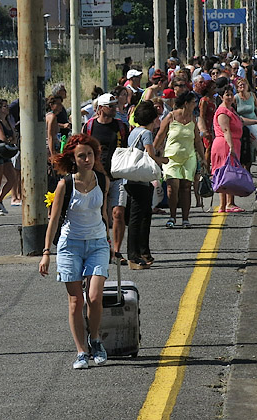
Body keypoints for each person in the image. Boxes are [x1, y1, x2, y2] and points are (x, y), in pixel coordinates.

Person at [39, 134, 111, 369]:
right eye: (82, 156)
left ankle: (96, 339)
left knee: (94, 297)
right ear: (73, 159)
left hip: (98, 243)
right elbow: (55, 219)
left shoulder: (102, 180)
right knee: (75, 301)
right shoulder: (65, 184)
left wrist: (111, 241)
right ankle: (81, 352)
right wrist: (46, 252)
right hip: (70, 246)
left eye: (90, 154)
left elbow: (105, 212)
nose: (87, 159)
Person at [83, 93, 130, 265]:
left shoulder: (121, 126)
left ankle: (117, 251)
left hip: (117, 175)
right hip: (97, 177)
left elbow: (126, 148)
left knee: (118, 213)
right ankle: (104, 248)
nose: (114, 108)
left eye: (115, 105)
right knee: (99, 215)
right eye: (110, 105)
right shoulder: (89, 126)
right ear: (101, 108)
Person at [210, 84, 257, 213]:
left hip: (231, 143)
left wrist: (256, 121)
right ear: (221, 96)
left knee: (228, 173)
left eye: (230, 94)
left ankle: (227, 204)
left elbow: (240, 120)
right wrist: (231, 147)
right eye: (227, 95)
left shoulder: (230, 109)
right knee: (225, 174)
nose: (229, 97)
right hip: (225, 144)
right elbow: (226, 130)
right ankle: (226, 205)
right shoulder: (222, 111)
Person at [125, 101, 166, 269]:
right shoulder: (146, 134)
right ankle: (134, 255)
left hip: (132, 179)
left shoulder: (133, 132)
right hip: (141, 181)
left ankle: (143, 252)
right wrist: (163, 160)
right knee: (140, 218)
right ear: (152, 119)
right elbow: (150, 155)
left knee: (140, 216)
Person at [153, 91, 203, 228]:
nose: (195, 105)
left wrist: (203, 158)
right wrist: (152, 154)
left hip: (189, 157)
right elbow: (159, 136)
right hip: (171, 158)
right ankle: (172, 217)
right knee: (172, 187)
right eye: (193, 102)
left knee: (186, 187)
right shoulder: (171, 117)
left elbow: (197, 140)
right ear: (186, 104)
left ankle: (185, 219)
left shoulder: (193, 119)